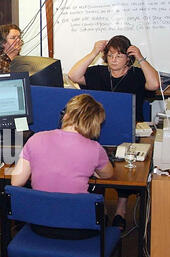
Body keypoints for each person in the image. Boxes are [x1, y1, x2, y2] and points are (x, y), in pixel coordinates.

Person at [11, 94, 113, 257]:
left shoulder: (36, 139)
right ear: (93, 122)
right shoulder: (95, 149)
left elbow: (16, 182)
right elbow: (109, 174)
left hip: (40, 225)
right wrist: (91, 167)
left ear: (67, 114)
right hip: (80, 230)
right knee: (103, 214)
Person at [68, 35, 160, 231]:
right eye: (110, 55)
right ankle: (98, 206)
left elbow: (154, 85)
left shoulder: (136, 74)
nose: (114, 59)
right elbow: (74, 76)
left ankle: (121, 208)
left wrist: (142, 58)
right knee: (93, 161)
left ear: (128, 57)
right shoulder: (98, 73)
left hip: (129, 130)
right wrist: (93, 52)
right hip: (97, 129)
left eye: (119, 55)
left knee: (125, 168)